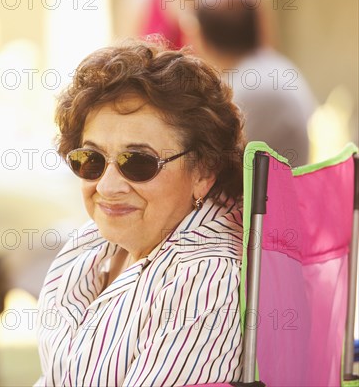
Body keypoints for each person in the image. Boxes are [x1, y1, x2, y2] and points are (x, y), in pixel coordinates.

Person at [35, 39, 246, 386]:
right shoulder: (89, 245)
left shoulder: (204, 278)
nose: (107, 186)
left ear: (204, 170)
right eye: (91, 160)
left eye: (139, 162)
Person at [191, 0, 316, 166]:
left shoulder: (241, 91)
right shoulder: (278, 66)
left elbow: (219, 168)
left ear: (201, 37)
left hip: (268, 190)